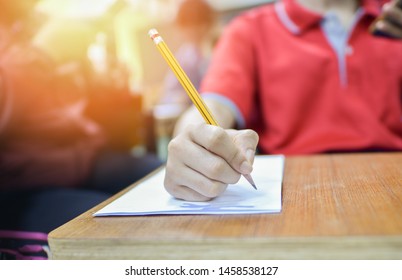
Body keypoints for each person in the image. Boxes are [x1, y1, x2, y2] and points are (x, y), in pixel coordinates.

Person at [163, 0, 402, 202]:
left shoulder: (394, 16)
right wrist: (192, 139)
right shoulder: (248, 30)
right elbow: (213, 105)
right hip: (292, 195)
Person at [0, 1, 162, 242]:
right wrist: (42, 54)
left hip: (83, 159)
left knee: (164, 175)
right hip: (22, 184)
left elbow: (73, 111)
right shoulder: (35, 41)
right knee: (124, 229)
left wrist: (109, 86)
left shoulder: (36, 20)